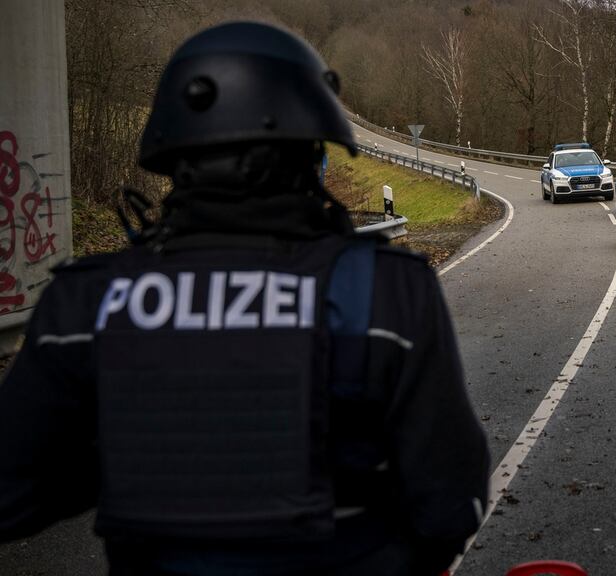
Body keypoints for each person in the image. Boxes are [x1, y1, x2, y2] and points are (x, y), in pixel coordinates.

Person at [0, 22, 489, 576]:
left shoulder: (85, 302)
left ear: (171, 154)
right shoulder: (385, 291)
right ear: (311, 154)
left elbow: (13, 492)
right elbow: (453, 502)